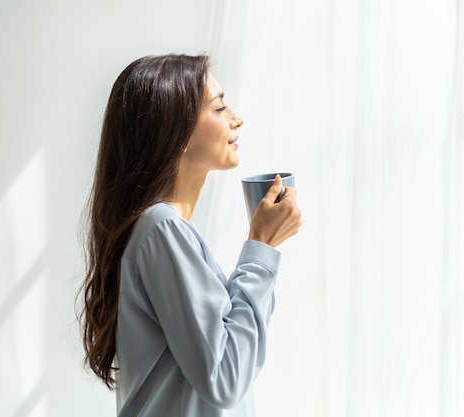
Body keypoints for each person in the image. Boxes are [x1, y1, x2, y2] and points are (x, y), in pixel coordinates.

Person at [80, 54, 301, 417]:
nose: (236, 118)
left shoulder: (163, 231)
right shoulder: (162, 231)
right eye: (219, 108)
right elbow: (225, 379)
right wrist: (261, 248)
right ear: (176, 132)